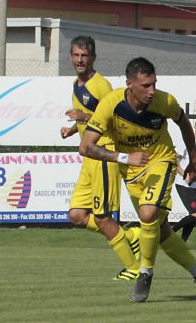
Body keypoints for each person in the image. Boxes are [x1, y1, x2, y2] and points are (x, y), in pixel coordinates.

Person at [79, 56, 196, 303]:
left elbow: (184, 123)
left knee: (148, 214)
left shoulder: (165, 101)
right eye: (145, 86)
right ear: (129, 84)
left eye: (154, 84)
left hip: (161, 162)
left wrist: (194, 160)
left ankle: (145, 273)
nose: (152, 91)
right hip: (131, 171)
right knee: (160, 232)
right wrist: (122, 157)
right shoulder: (111, 104)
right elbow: (86, 147)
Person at [60, 35, 141, 281]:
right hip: (88, 157)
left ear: (93, 58)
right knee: (76, 215)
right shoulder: (77, 84)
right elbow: (92, 119)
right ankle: (130, 237)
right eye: (76, 55)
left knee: (103, 217)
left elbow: (114, 117)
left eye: (84, 56)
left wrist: (83, 117)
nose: (80, 60)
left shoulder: (101, 85)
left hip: (103, 154)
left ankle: (134, 268)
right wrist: (73, 129)